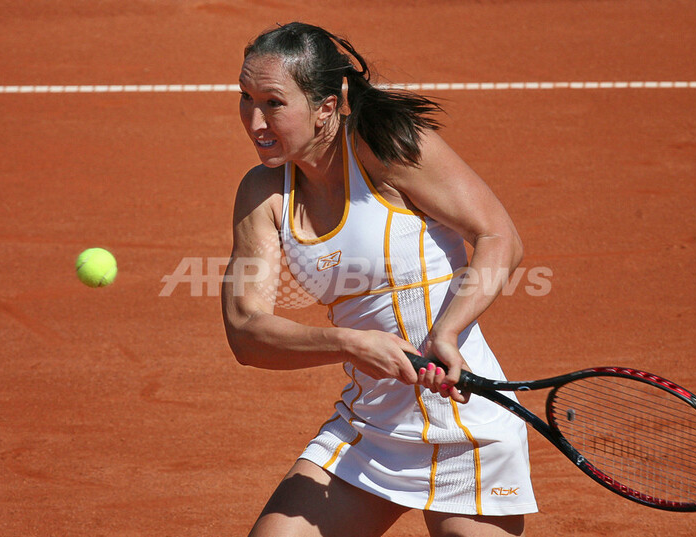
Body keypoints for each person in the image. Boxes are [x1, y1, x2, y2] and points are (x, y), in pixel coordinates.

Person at [221, 22, 536, 537]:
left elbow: (499, 236)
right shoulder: (264, 193)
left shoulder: (384, 147)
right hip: (372, 424)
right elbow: (246, 332)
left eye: (273, 103)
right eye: (245, 98)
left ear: (326, 106)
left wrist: (446, 332)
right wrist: (350, 344)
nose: (255, 121)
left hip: (465, 421)